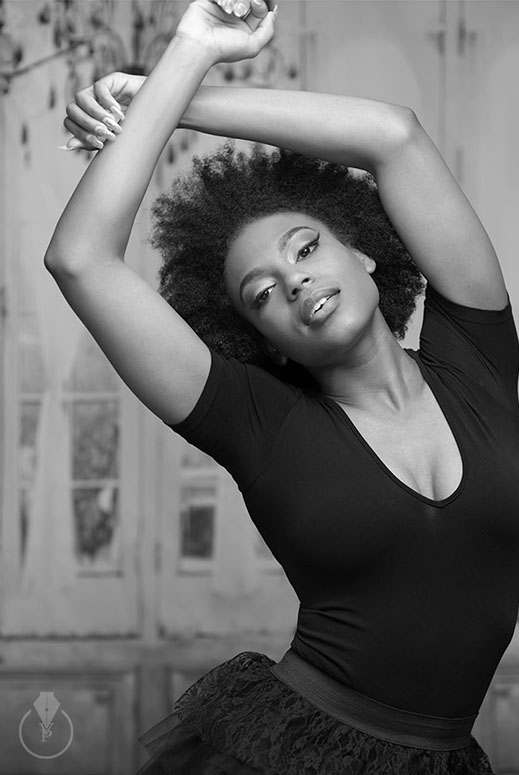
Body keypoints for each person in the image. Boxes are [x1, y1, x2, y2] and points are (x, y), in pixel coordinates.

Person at [47, 0, 519, 772]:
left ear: (363, 254)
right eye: (261, 293)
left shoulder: (477, 356)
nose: (293, 281)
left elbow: (392, 135)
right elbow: (80, 260)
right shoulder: (257, 420)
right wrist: (189, 48)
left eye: (304, 249)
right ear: (258, 336)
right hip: (295, 748)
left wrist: (165, 97)